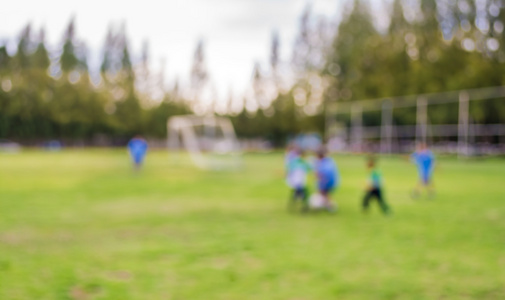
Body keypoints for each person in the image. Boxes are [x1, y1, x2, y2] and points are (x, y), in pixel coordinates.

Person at [314, 146, 339, 212]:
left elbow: (323, 174)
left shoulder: (324, 162)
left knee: (324, 194)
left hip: (327, 182)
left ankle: (331, 207)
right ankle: (327, 206)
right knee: (324, 194)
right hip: (329, 181)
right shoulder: (328, 160)